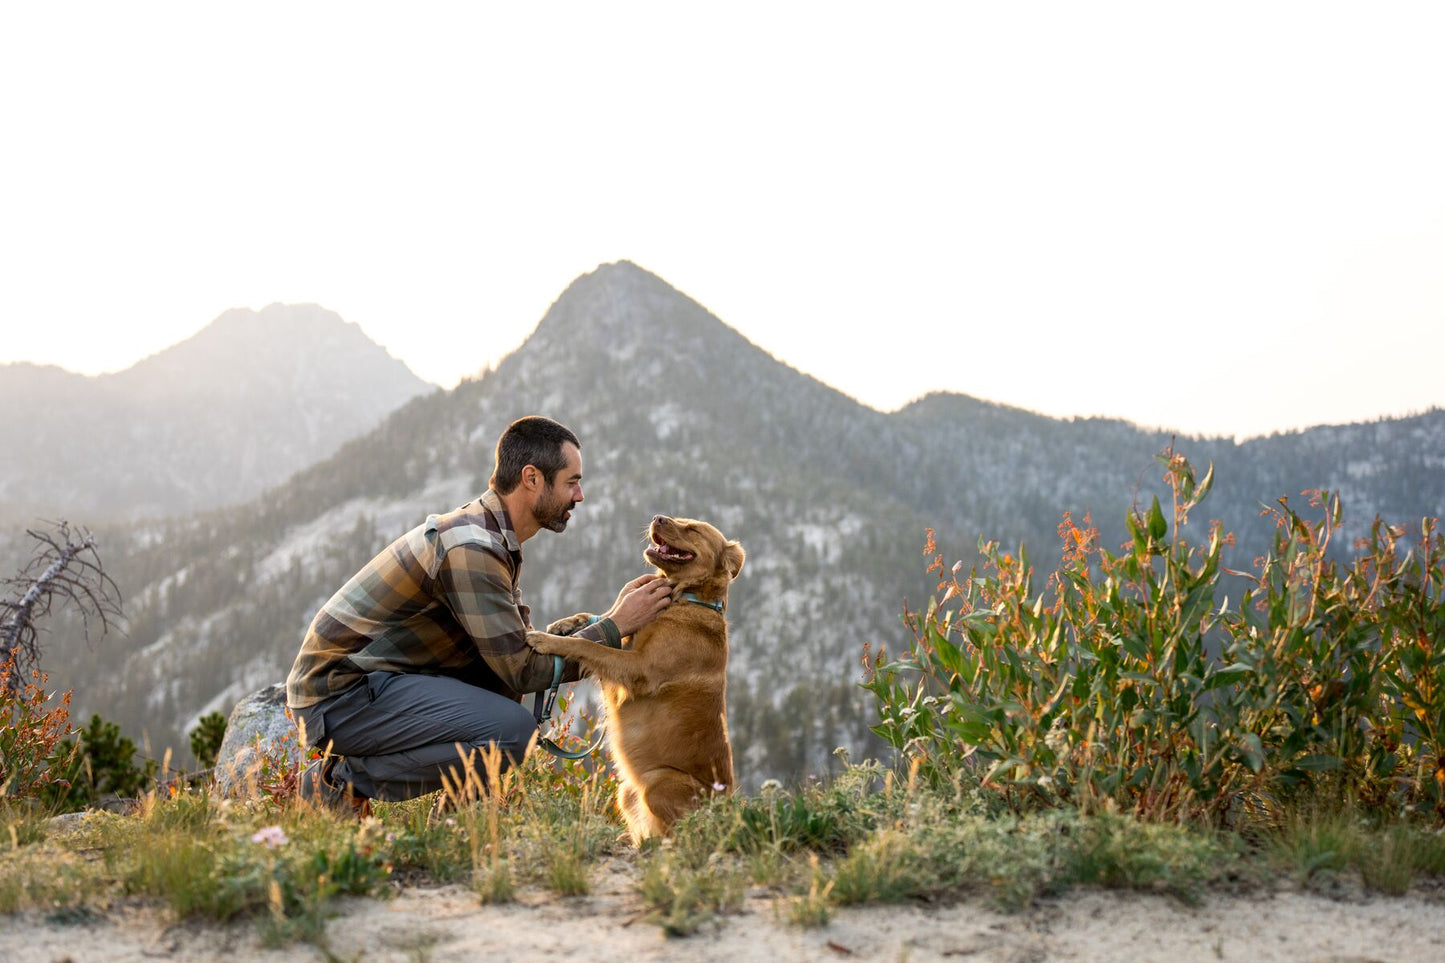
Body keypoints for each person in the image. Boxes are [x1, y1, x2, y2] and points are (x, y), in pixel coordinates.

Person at [284, 415, 672, 811]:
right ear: (532, 478)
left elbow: (516, 648)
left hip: (371, 682)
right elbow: (523, 667)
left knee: (498, 686)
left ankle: (459, 815)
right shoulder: (473, 549)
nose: (579, 496)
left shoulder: (492, 535)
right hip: (337, 696)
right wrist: (615, 627)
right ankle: (337, 783)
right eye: (572, 482)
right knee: (511, 732)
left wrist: (605, 622)